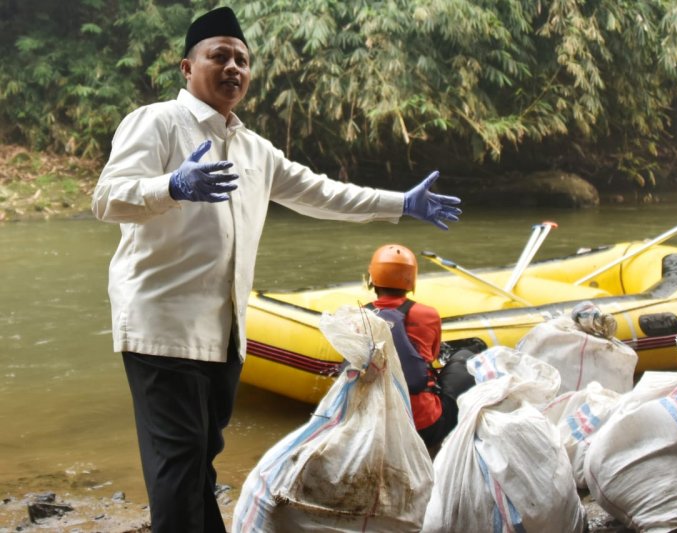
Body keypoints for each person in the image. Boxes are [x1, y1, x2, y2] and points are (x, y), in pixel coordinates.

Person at [91, 7, 461, 533]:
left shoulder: (253, 149)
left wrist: (400, 202)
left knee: (197, 463)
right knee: (177, 465)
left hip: (224, 335)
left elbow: (323, 193)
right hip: (163, 328)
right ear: (186, 66)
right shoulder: (156, 122)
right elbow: (107, 198)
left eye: (242, 59)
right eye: (219, 55)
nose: (233, 68)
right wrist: (173, 185)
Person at [365, 244, 476, 457]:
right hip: (424, 426)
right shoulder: (427, 314)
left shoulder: (358, 315)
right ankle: (452, 446)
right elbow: (432, 357)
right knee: (465, 359)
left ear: (372, 278)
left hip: (374, 425)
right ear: (411, 279)